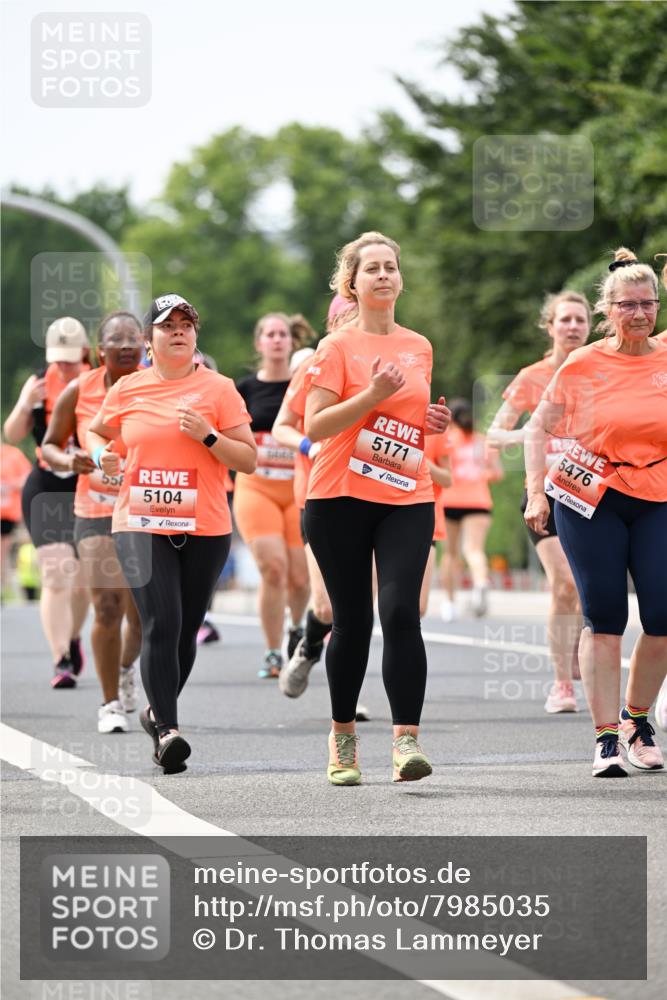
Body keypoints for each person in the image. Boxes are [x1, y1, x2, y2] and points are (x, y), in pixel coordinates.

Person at [303, 231, 449, 785]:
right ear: (353, 284)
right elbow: (317, 426)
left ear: (400, 279)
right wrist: (370, 396)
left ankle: (406, 743)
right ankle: (343, 740)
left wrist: (427, 426)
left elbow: (406, 422)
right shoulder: (336, 348)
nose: (384, 275)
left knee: (400, 613)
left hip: (405, 495)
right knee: (354, 623)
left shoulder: (419, 345)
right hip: (338, 496)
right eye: (372, 269)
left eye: (391, 267)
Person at [87, 294, 256, 772]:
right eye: (167, 326)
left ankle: (155, 710)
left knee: (185, 630)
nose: (178, 331)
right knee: (161, 620)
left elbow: (247, 459)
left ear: (196, 336)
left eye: (186, 324)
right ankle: (168, 733)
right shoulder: (128, 389)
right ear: (148, 340)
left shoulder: (219, 389)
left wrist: (208, 434)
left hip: (205, 524)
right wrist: (104, 457)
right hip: (139, 520)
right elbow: (98, 432)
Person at [524, 248, 667, 777]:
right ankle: (607, 738)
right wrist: (536, 491)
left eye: (647, 304)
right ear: (607, 310)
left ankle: (637, 720)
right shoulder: (583, 363)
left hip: (658, 492)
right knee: (604, 616)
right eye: (626, 305)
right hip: (590, 498)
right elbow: (538, 427)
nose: (637, 314)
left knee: (663, 615)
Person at [487, 291, 591, 712]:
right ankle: (561, 684)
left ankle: (579, 654)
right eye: (564, 319)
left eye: (580, 320)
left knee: (586, 592)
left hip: (592, 492)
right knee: (563, 583)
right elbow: (495, 434)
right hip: (545, 495)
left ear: (590, 326)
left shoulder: (602, 370)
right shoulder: (532, 377)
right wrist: (536, 433)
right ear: (550, 327)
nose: (572, 327)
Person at [41, 312, 144, 733]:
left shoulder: (158, 386)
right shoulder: (78, 390)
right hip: (96, 511)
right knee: (106, 605)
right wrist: (70, 460)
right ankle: (110, 704)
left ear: (145, 346)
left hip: (148, 511)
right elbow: (49, 446)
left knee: (140, 616)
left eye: (132, 338)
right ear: (100, 350)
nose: (124, 345)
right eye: (115, 340)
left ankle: (124, 668)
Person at [3, 317, 90, 687]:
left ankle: (72, 636)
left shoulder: (102, 379)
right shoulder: (40, 380)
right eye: (59, 358)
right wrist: (26, 404)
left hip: (87, 483)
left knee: (83, 579)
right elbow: (13, 433)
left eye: (71, 359)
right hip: (46, 485)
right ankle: (60, 659)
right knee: (56, 573)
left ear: (86, 352)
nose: (64, 365)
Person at [234, 313, 313, 678]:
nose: (277, 339)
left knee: (300, 576)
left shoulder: (305, 386)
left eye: (283, 334)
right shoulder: (245, 389)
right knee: (274, 568)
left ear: (291, 342)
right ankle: (271, 651)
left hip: (297, 489)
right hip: (256, 487)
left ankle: (297, 628)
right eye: (270, 334)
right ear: (259, 343)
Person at [439, 399, 503, 620]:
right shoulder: (482, 442)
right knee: (474, 550)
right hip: (478, 501)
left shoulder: (447, 440)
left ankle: (449, 603)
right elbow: (497, 473)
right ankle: (480, 583)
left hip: (449, 501)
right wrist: (478, 475)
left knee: (450, 554)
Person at [419, 432, 452, 618]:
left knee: (419, 608)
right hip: (382, 514)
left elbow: (448, 479)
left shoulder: (435, 426)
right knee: (372, 590)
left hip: (425, 518)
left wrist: (419, 458)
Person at [1, 439, 32, 600]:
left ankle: (1, 589)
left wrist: (10, 485)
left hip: (6, 514)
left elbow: (28, 477)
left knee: (2, 552)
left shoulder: (13, 455)